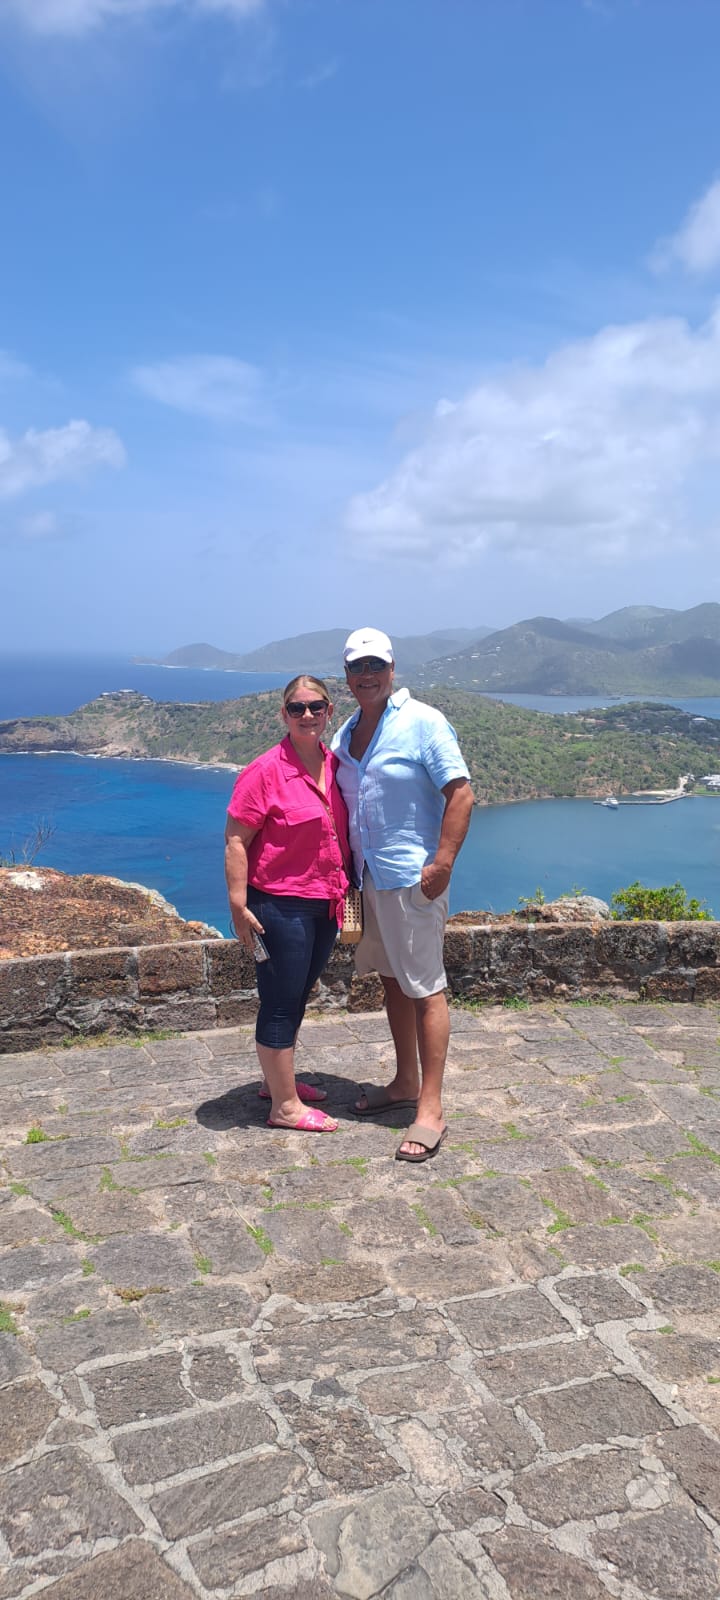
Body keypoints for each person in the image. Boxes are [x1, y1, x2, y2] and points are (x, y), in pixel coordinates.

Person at [333, 628, 474, 1163]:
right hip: (369, 878)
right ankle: (404, 1082)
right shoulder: (346, 734)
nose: (366, 675)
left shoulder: (423, 722)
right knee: (392, 981)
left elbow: (461, 793)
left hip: (412, 880)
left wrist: (443, 863)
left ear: (392, 670)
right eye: (357, 667)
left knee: (426, 989)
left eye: (376, 665)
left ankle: (430, 1108)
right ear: (347, 676)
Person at [225, 675, 350, 1133]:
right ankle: (284, 1107)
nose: (307, 715)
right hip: (279, 906)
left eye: (316, 707)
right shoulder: (265, 771)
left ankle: (276, 1083)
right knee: (279, 1002)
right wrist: (238, 905)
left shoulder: (334, 764)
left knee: (298, 994)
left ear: (329, 711)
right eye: (297, 708)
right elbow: (236, 840)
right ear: (284, 714)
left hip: (324, 902)